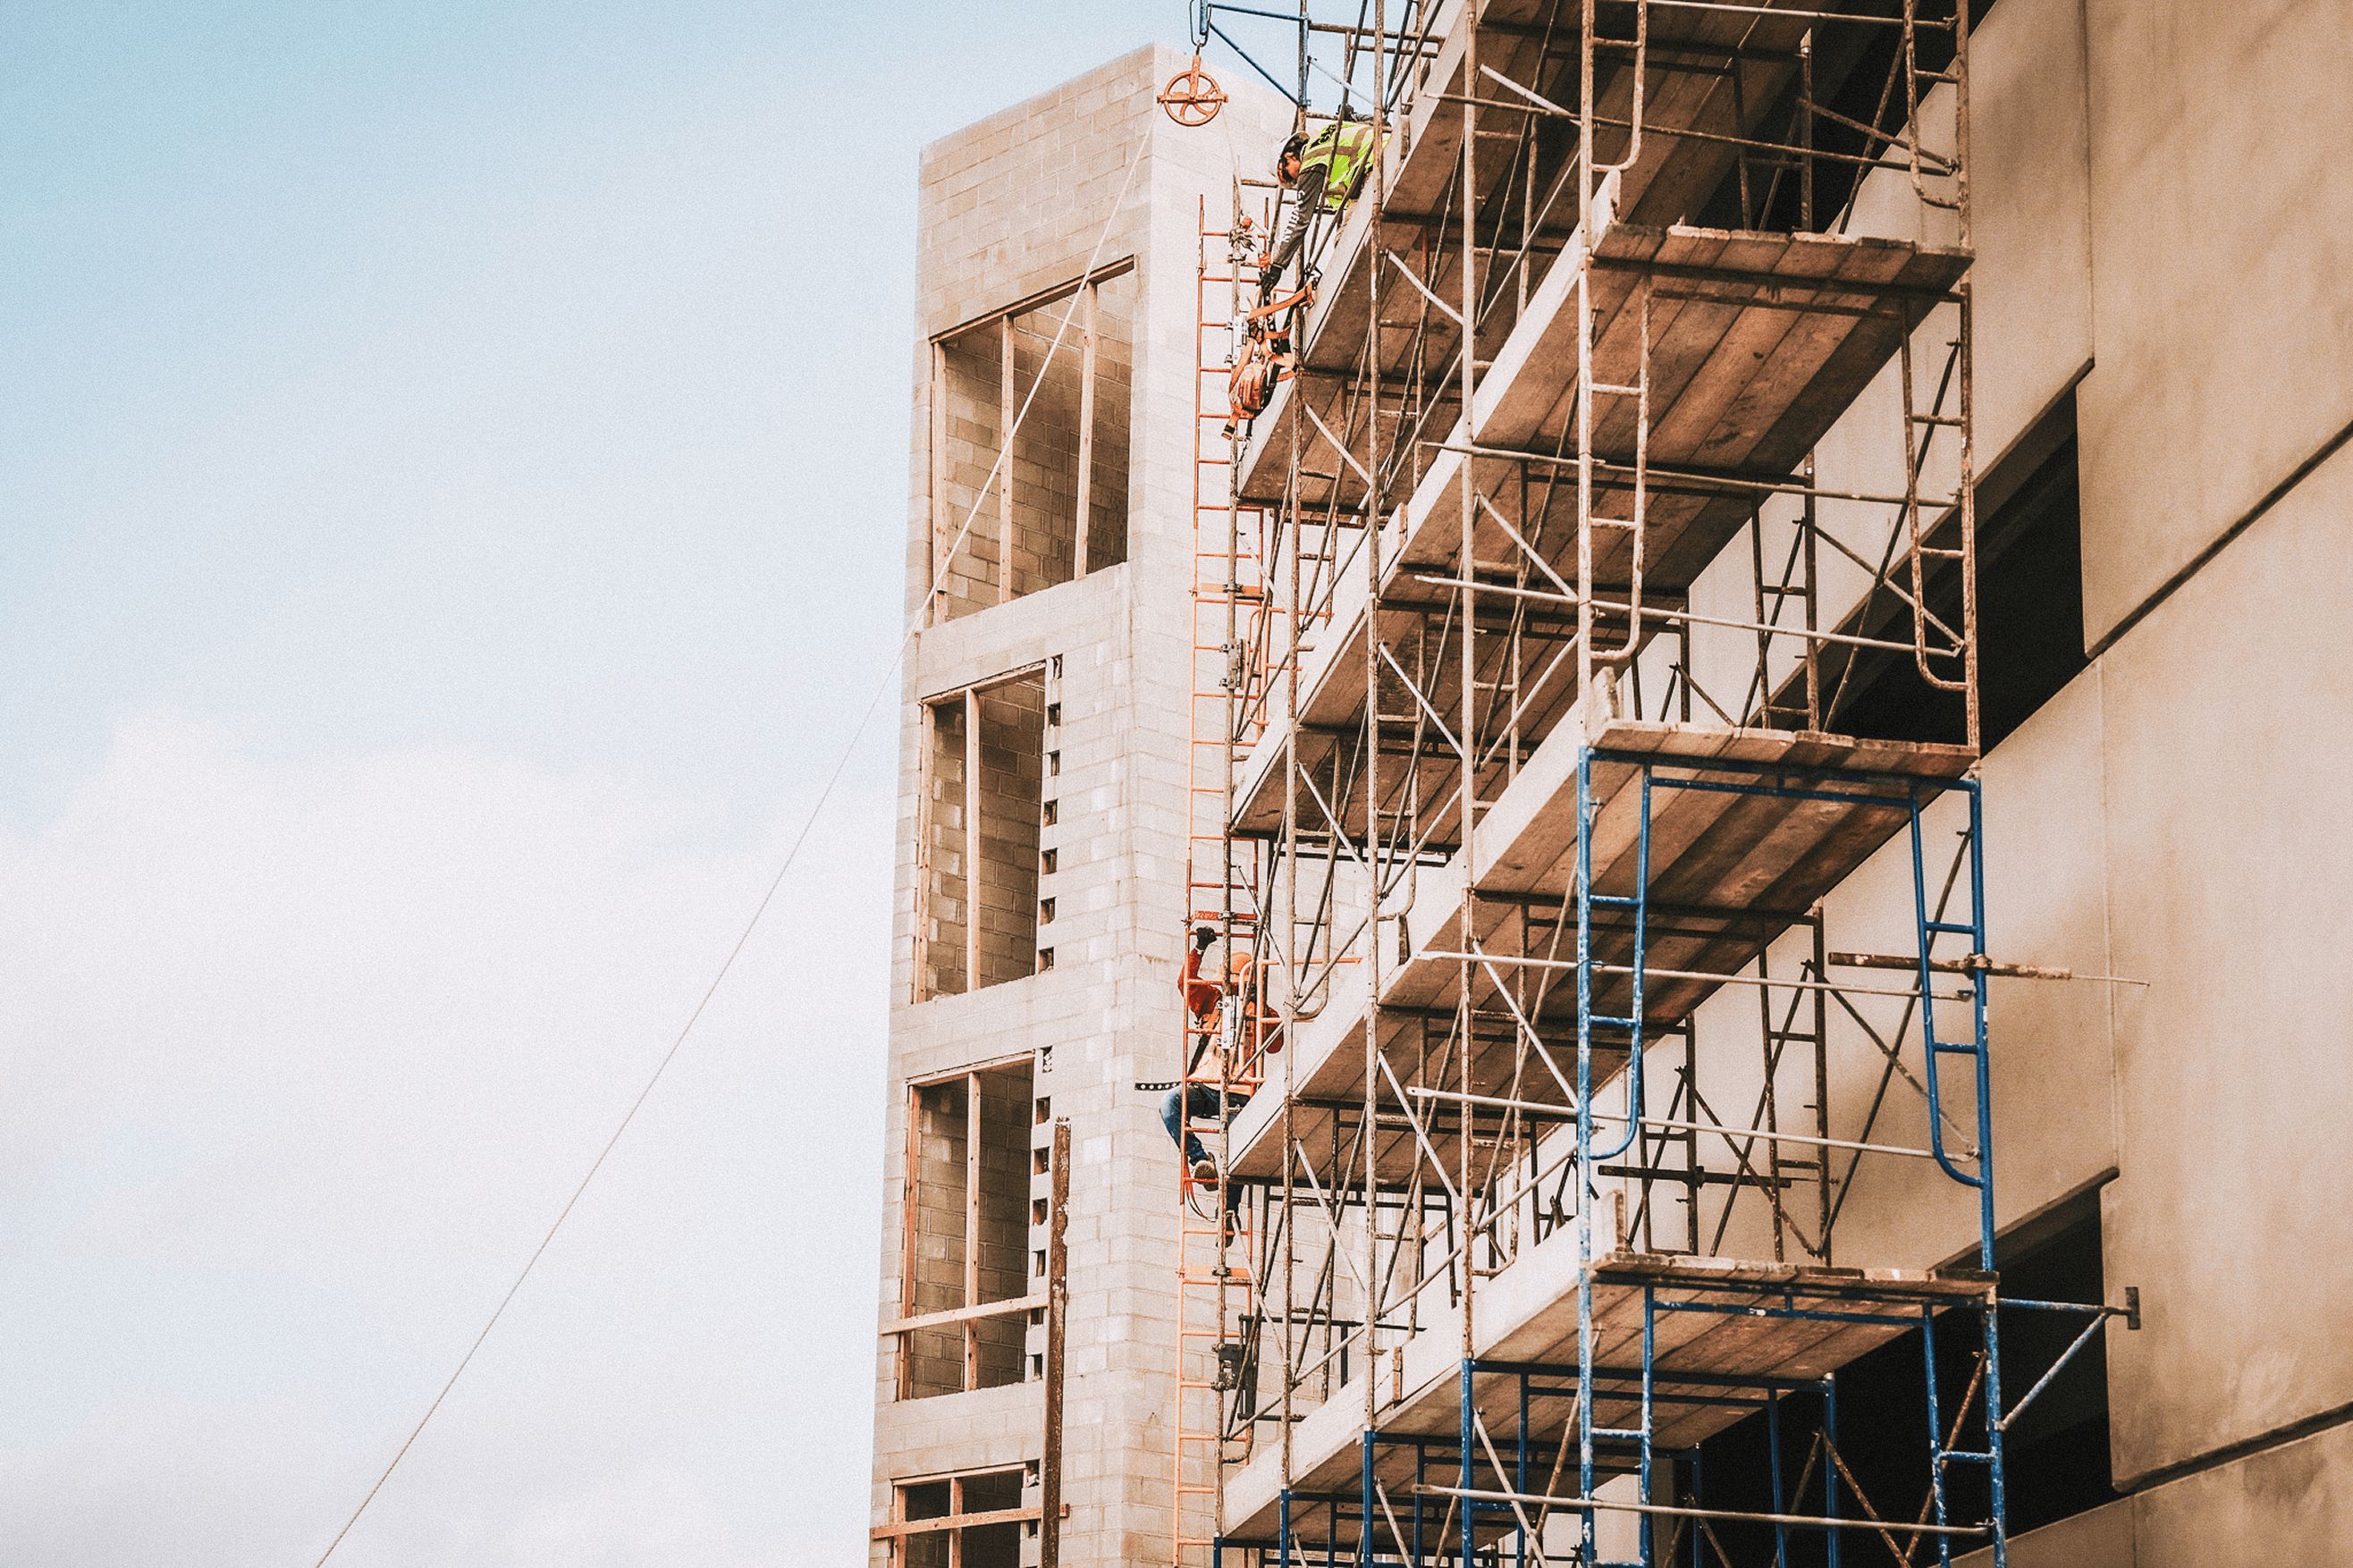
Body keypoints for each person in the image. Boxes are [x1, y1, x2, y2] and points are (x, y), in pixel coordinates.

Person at [1257, 113, 1380, 305]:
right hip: (1382, 150)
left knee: (1344, 240)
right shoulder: (1326, 133)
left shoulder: (1311, 160)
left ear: (1289, 157)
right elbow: (1377, 121)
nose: (1295, 181)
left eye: (1287, 176)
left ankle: (1361, 297)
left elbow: (1301, 218)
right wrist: (1354, 115)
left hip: (1373, 169)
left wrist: (1277, 267)